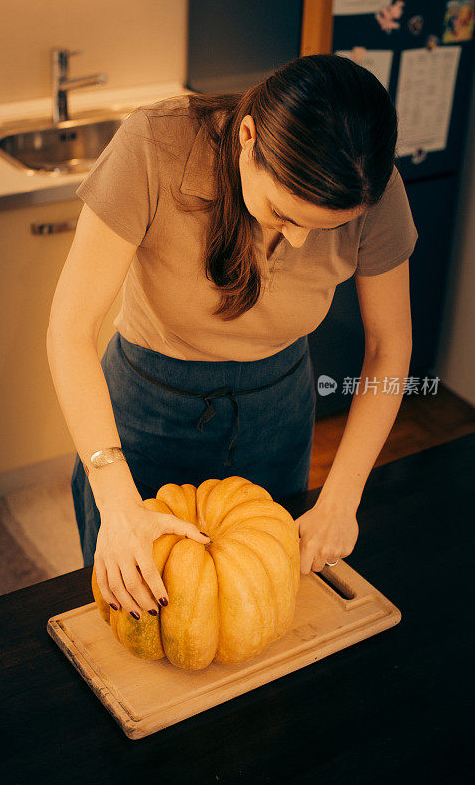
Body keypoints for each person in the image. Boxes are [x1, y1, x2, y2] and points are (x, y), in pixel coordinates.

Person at [47, 54, 418, 621]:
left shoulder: (374, 188)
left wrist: (342, 499)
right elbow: (69, 329)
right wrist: (117, 501)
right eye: (282, 214)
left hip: (278, 412)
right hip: (144, 411)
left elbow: (388, 348)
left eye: (324, 229)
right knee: (136, 613)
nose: (297, 243)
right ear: (247, 137)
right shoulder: (155, 145)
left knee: (255, 611)